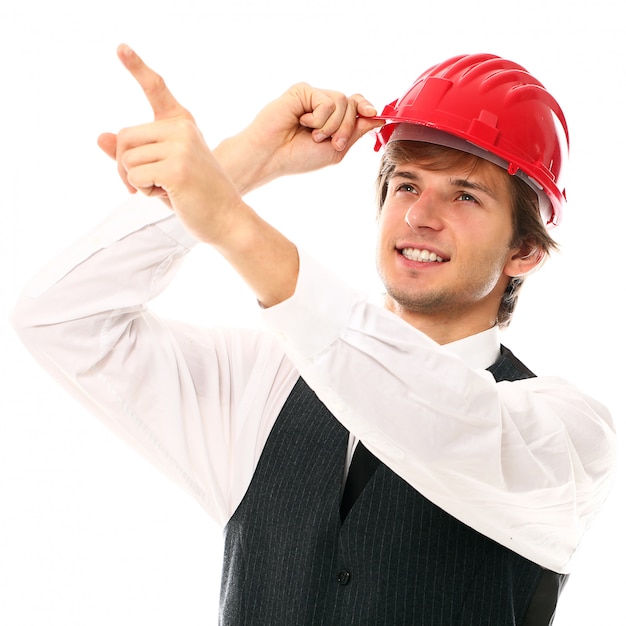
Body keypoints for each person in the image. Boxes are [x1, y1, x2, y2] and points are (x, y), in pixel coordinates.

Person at [12, 45, 617, 625]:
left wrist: (227, 217)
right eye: (406, 184)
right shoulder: (267, 381)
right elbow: (63, 319)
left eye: (464, 195)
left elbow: (440, 417)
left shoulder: (568, 436)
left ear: (526, 252)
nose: (419, 216)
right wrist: (243, 163)